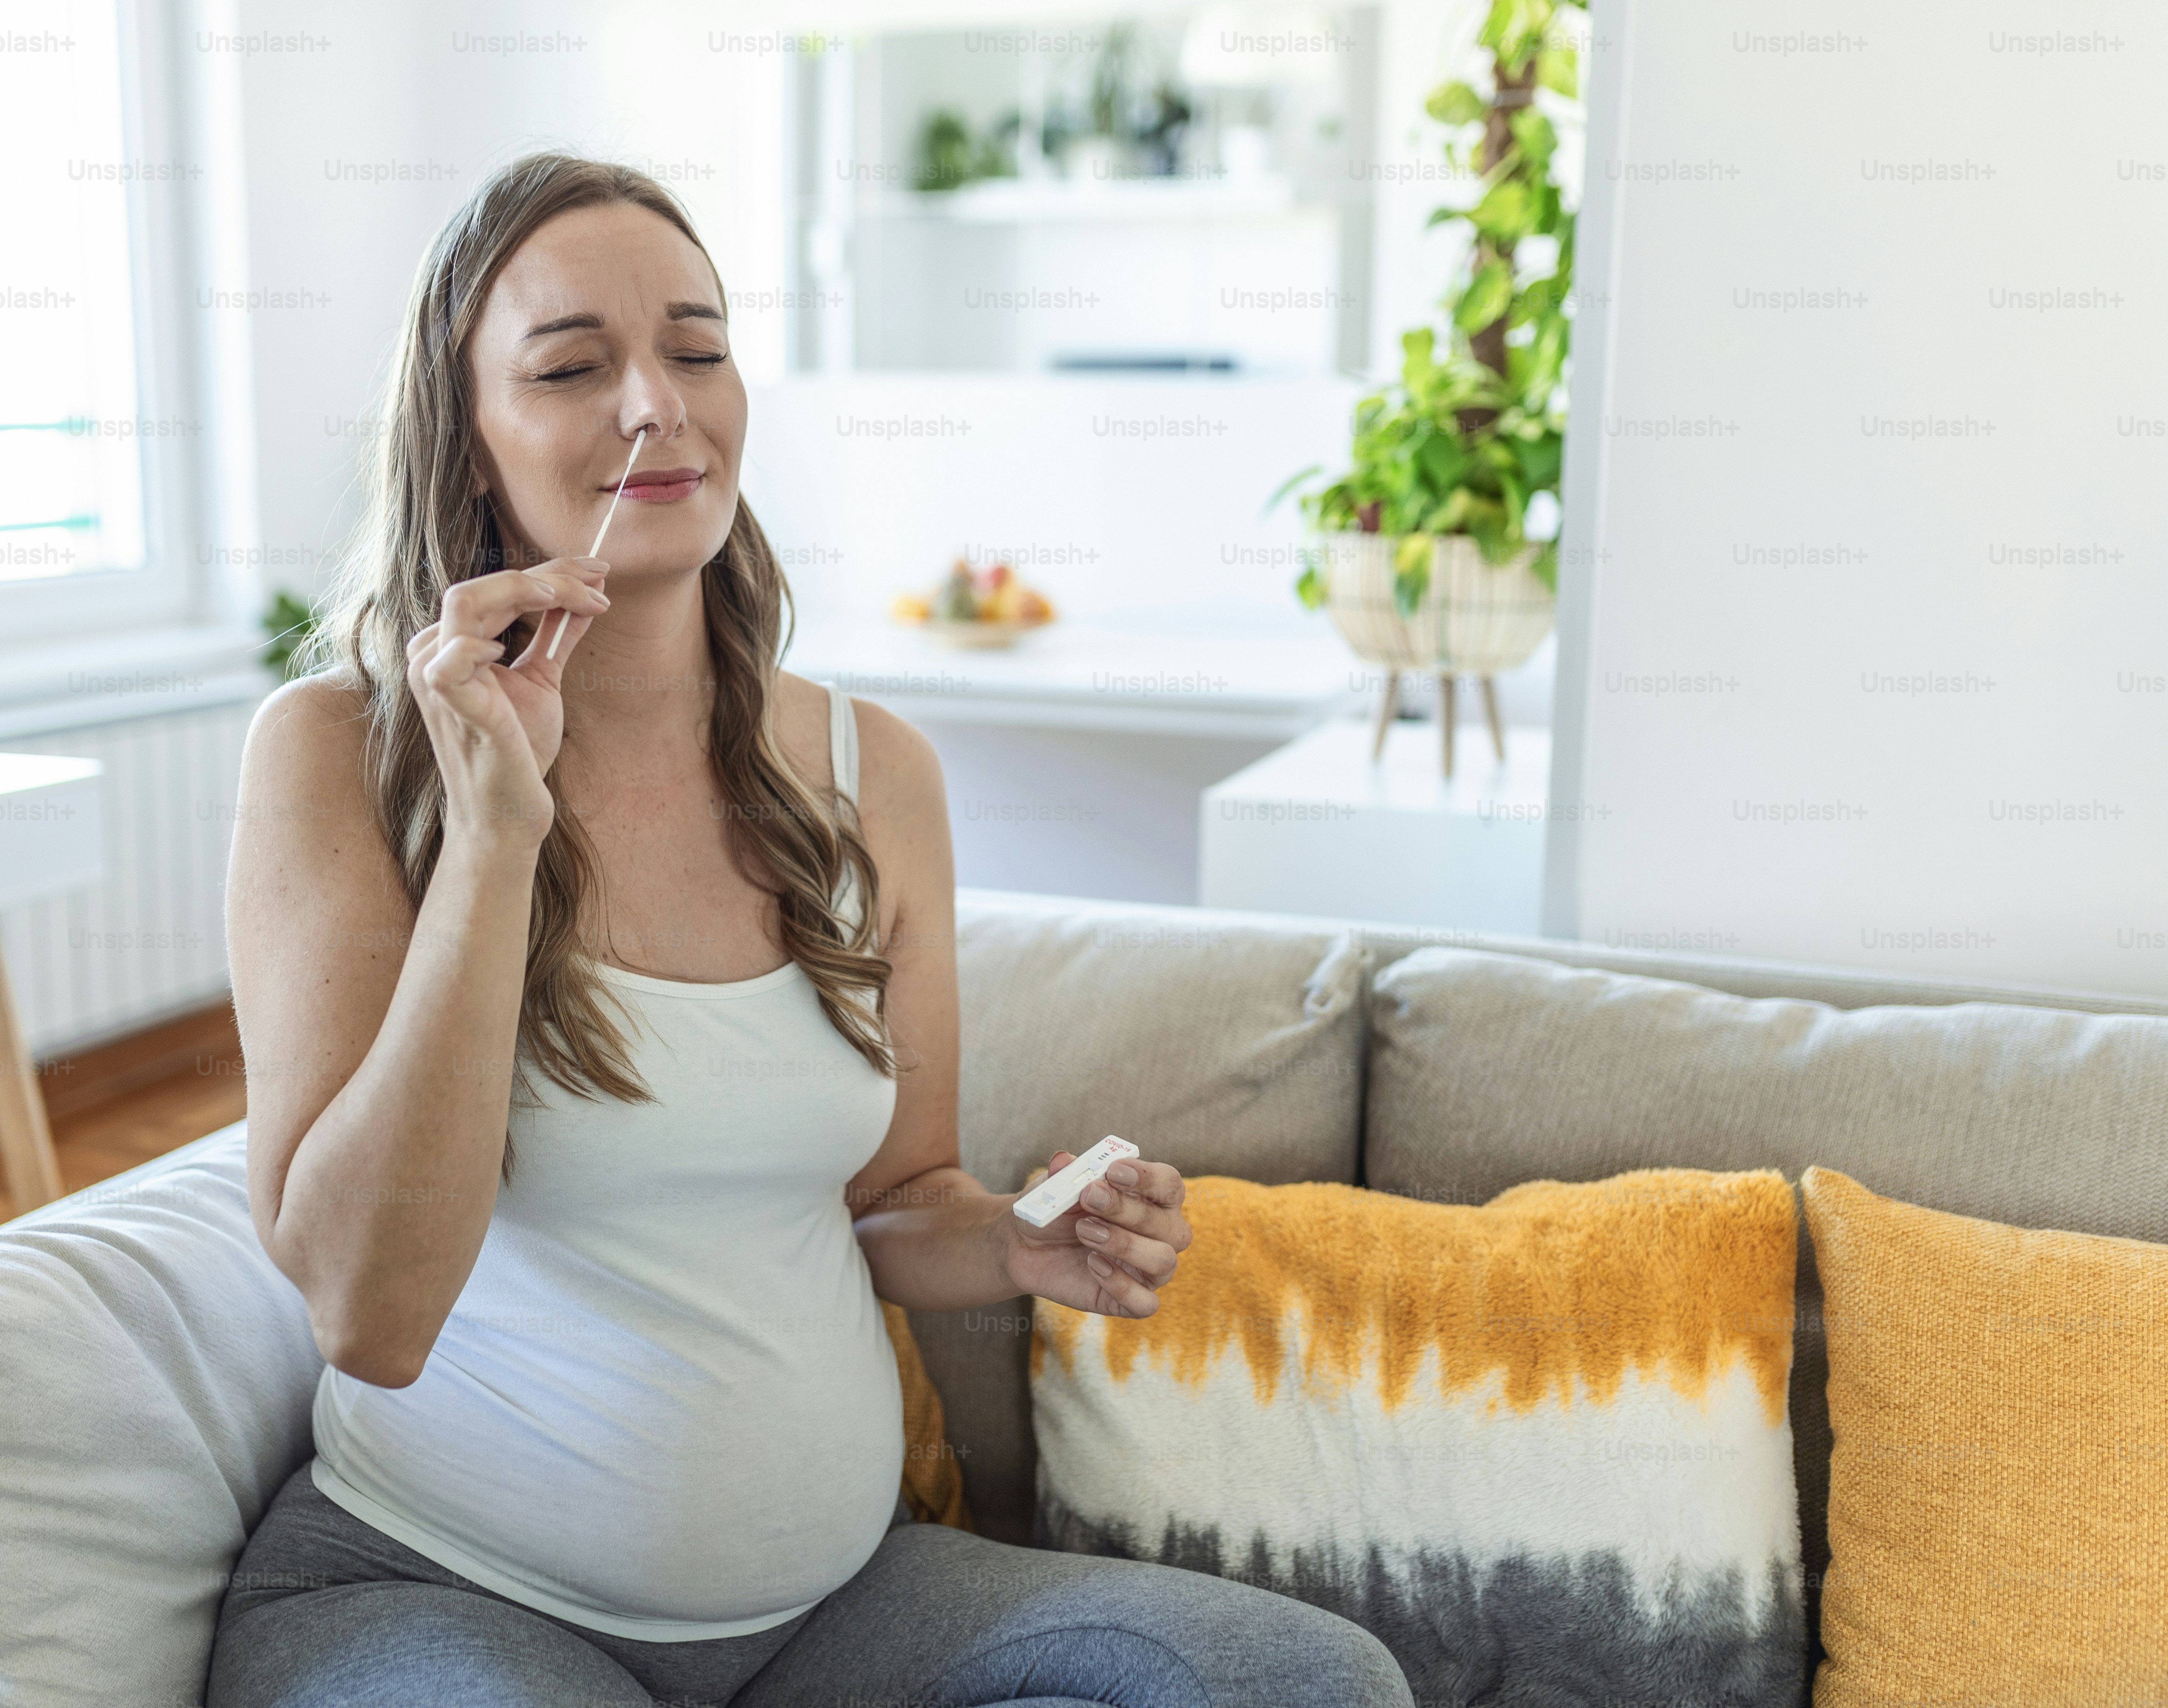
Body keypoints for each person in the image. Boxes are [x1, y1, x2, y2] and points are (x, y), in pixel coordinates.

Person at [208, 152, 1408, 1708]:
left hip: (838, 1614)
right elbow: (368, 1312)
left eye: (698, 349)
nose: (660, 403)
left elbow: (897, 1196)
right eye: (574, 366)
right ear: (469, 435)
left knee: (1321, 1688)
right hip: (443, 1596)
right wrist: (498, 833)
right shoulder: (337, 755)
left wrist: (1010, 1238)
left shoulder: (874, 773)